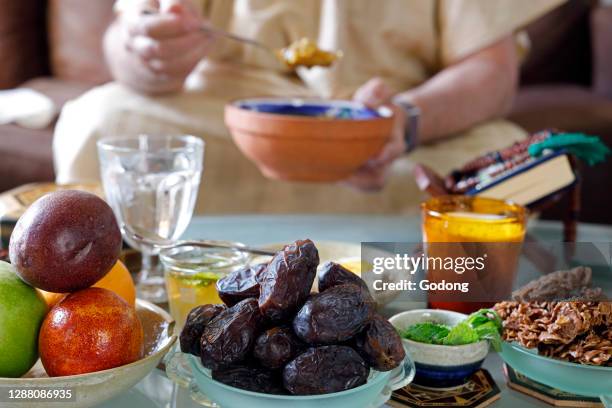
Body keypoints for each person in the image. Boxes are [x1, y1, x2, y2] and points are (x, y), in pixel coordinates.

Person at [53, 0, 564, 214]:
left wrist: (403, 122)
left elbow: (491, 72)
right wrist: (147, 51)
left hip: (397, 127)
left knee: (525, 168)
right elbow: (129, 40)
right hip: (228, 123)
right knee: (97, 124)